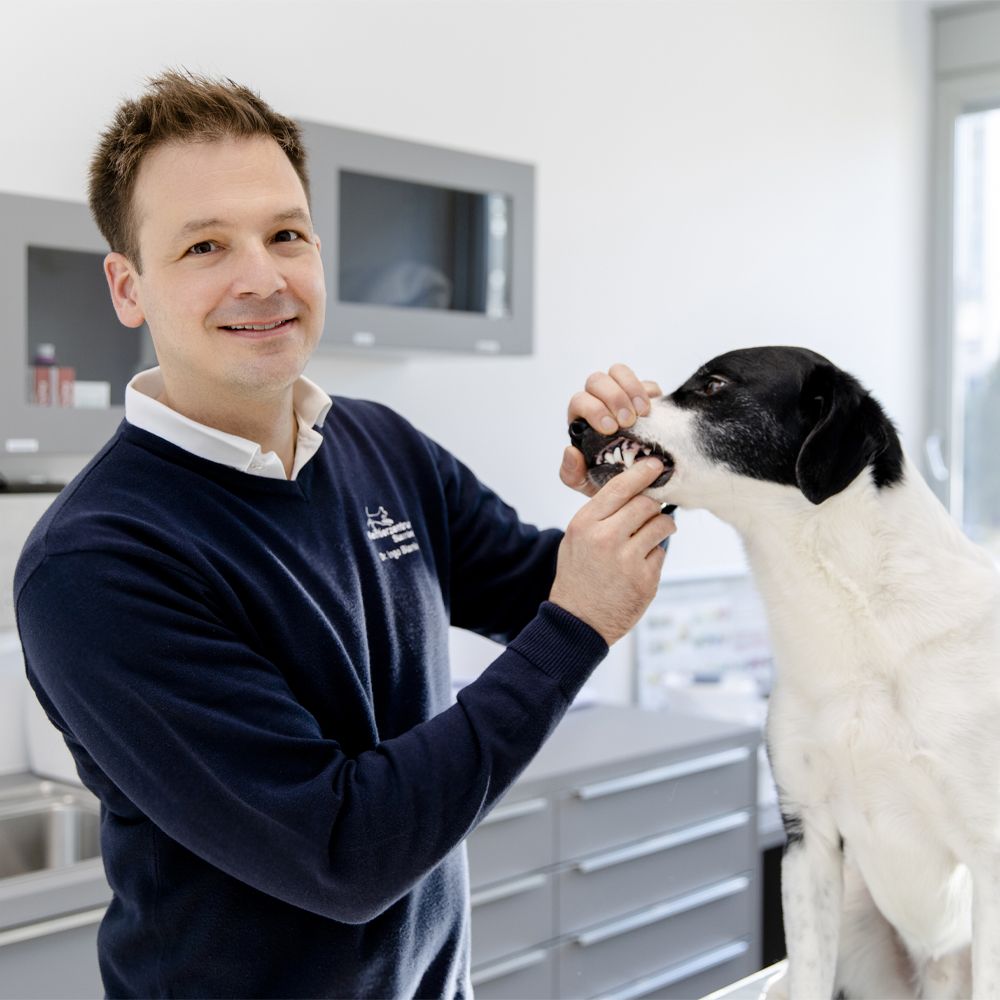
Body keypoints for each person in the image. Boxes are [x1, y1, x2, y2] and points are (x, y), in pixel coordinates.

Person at [14, 71, 674, 999]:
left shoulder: (378, 443)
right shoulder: (96, 563)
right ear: (128, 288)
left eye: (286, 234)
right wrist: (577, 621)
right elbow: (344, 854)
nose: (263, 276)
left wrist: (634, 470)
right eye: (205, 245)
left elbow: (548, 588)